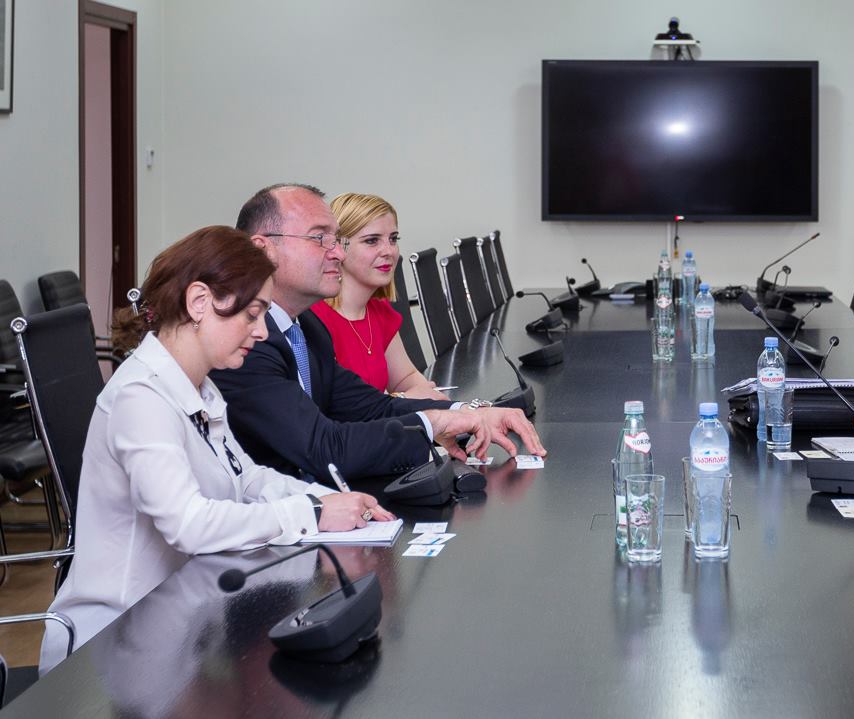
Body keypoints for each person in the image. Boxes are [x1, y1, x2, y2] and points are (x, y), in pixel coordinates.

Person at [39, 226, 396, 673]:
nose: (262, 332)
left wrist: (328, 500)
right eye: (252, 314)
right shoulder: (140, 397)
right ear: (199, 302)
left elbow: (248, 478)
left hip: (180, 622)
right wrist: (311, 513)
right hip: (115, 644)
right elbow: (189, 523)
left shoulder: (201, 387)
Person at [211, 183, 545, 482]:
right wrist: (435, 424)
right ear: (263, 249)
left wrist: (466, 413)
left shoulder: (305, 328)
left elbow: (372, 407)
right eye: (320, 239)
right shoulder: (245, 343)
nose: (338, 253)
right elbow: (324, 448)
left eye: (337, 240)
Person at [309, 192, 446, 399]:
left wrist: (446, 404)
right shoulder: (314, 320)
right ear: (338, 246)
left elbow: (406, 378)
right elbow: (339, 408)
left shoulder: (379, 311)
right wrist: (405, 399)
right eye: (372, 241)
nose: (388, 251)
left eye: (393, 239)